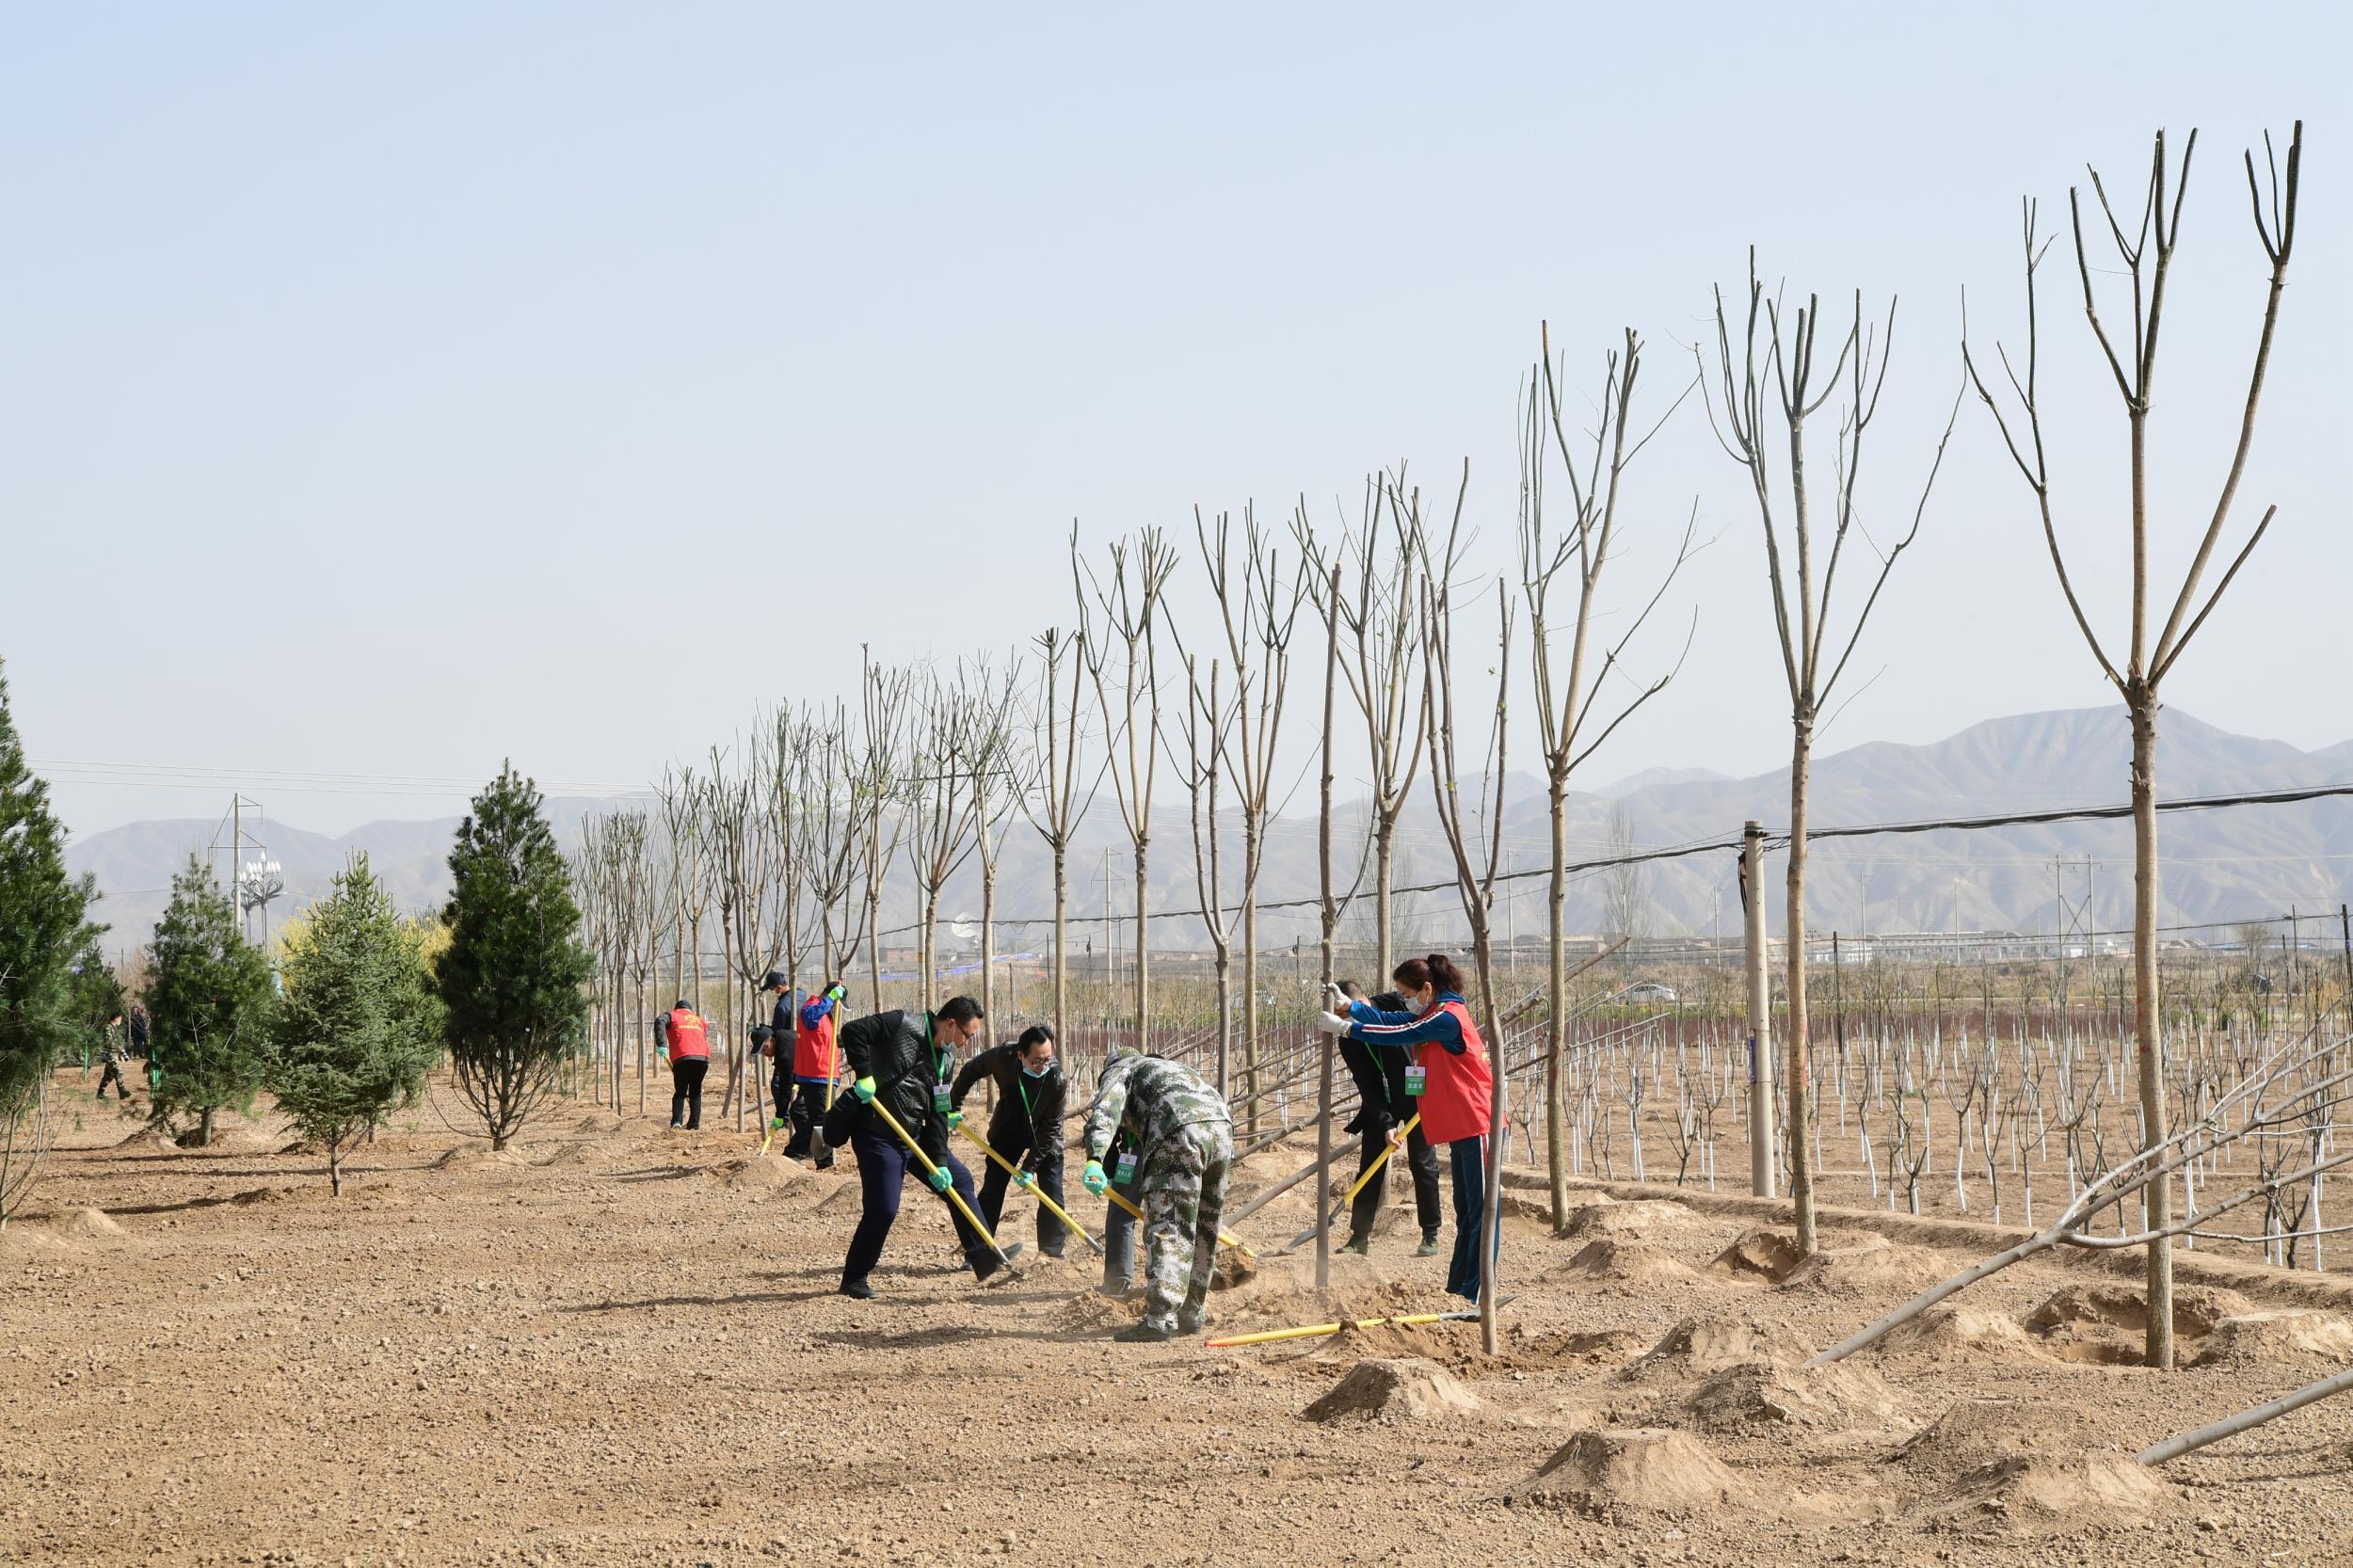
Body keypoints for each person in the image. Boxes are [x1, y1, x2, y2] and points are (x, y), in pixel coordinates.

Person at [1317, 953, 1497, 1304]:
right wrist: (1351, 1011)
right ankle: (1460, 1291)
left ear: (1427, 989)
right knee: (1467, 1210)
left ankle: (1478, 1293)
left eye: (1409, 993)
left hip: (1474, 1120)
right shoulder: (1431, 1010)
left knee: (1479, 1212)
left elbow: (1399, 1029)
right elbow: (1389, 1020)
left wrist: (1347, 1025)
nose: (1406, 1001)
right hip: (1456, 1123)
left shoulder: (1445, 1017)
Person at [837, 995, 1018, 1297]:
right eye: (967, 1035)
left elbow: (937, 1113)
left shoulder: (946, 1059)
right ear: (950, 1024)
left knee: (959, 1181)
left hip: (914, 1132)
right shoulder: (902, 1024)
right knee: (883, 1207)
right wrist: (865, 1076)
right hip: (877, 1133)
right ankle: (854, 1277)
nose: (966, 1043)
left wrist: (940, 1163)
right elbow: (854, 1030)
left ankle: (982, 1255)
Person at [1080, 1053, 1233, 1342]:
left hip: (1179, 1131)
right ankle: (1191, 1312)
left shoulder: (1120, 1069)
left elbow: (1105, 1112)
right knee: (1205, 1223)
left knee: (1169, 1224)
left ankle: (1160, 1319)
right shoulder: (1167, 1068)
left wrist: (1094, 1158)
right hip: (1221, 1127)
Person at [1330, 980, 1444, 1258]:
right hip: (1381, 1102)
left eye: (1348, 1012)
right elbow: (1366, 1083)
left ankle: (1430, 1233)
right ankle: (1359, 1237)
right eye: (1342, 1016)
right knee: (1370, 1164)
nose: (1347, 1020)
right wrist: (1385, 1124)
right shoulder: (1349, 1039)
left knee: (1423, 1163)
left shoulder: (1394, 1003)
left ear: (1361, 1002)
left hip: (1417, 1094)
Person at [952, 1025, 1068, 1258]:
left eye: (1048, 1058)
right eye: (1036, 1061)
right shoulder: (1002, 1058)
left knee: (1052, 1190)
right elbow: (970, 1072)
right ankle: (979, 1249)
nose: (1043, 1065)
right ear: (1021, 1055)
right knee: (993, 1188)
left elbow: (1052, 1127)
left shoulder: (1057, 1077)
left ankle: (1051, 1253)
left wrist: (1029, 1167)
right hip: (1009, 1127)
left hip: (1044, 1135)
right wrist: (952, 1107)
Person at [779, 977, 848, 1167]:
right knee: (823, 1119)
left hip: (824, 1074)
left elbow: (826, 1041)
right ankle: (821, 1160)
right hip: (818, 1074)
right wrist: (830, 999)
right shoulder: (813, 1007)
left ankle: (805, 1150)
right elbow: (810, 1019)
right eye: (836, 1003)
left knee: (803, 1112)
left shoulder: (826, 1016)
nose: (836, 1007)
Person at [658, 1000, 711, 1130]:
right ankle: (694, 1125)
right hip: (702, 1058)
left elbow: (660, 1021)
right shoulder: (698, 1020)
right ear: (689, 1010)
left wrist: (661, 1044)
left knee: (680, 1092)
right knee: (695, 1092)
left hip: (683, 1057)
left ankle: (676, 1122)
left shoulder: (672, 1015)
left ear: (677, 1008)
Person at [96, 1016, 134, 1102]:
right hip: (110, 1054)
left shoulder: (114, 1028)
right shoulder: (108, 1028)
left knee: (108, 1076)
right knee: (118, 1071)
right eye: (120, 1018)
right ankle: (122, 1091)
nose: (120, 1020)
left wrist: (124, 1054)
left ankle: (100, 1094)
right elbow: (108, 1042)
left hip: (114, 1054)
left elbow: (118, 1043)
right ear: (116, 1018)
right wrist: (119, 1049)